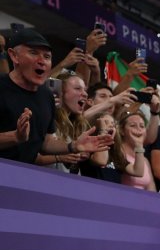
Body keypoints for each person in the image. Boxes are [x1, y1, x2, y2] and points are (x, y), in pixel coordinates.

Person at [0, 28, 112, 165]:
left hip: (27, 177)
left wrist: (73, 146)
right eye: (33, 53)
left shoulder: (47, 95)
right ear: (14, 56)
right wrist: (15, 137)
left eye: (47, 57)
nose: (42, 61)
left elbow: (46, 142)